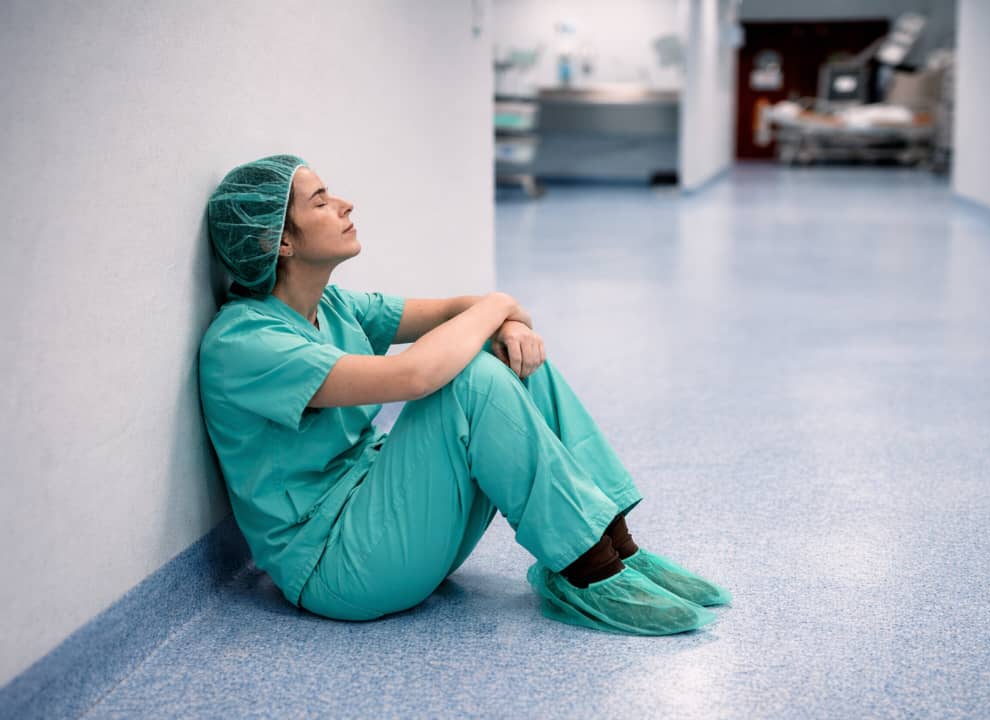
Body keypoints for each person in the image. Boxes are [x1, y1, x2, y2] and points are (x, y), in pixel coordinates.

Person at [198, 154, 731, 635]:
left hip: (390, 519)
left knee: (505, 357)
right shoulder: (245, 343)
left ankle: (618, 552)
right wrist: (500, 306)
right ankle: (588, 573)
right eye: (320, 201)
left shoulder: (332, 305)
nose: (344, 204)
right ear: (280, 241)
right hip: (336, 566)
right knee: (472, 376)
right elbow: (415, 377)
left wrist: (508, 324)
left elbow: (461, 309)